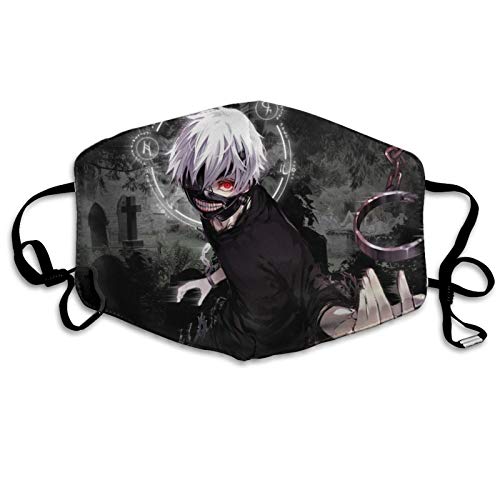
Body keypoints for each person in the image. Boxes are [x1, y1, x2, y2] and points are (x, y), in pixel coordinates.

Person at [167, 107, 423, 360]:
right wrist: (210, 281)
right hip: (235, 322)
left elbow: (312, 288)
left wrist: (343, 323)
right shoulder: (217, 211)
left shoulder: (272, 236)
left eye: (223, 183)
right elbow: (239, 257)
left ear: (245, 183)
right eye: (195, 179)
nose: (204, 195)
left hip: (271, 339)